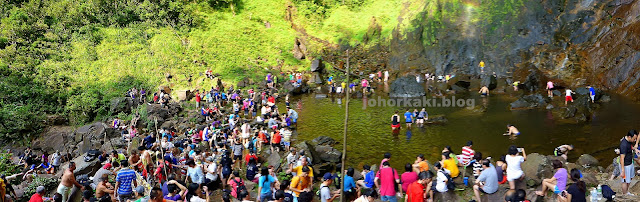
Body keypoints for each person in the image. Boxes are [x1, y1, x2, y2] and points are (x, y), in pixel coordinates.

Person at [620, 129, 638, 195]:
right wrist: (622, 170)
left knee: (630, 178)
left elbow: (630, 146)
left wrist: (635, 149)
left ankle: (627, 191)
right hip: (625, 165)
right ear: (630, 137)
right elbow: (621, 158)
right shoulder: (623, 145)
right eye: (634, 139)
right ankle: (625, 194)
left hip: (630, 162)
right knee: (624, 181)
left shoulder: (629, 140)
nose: (635, 140)